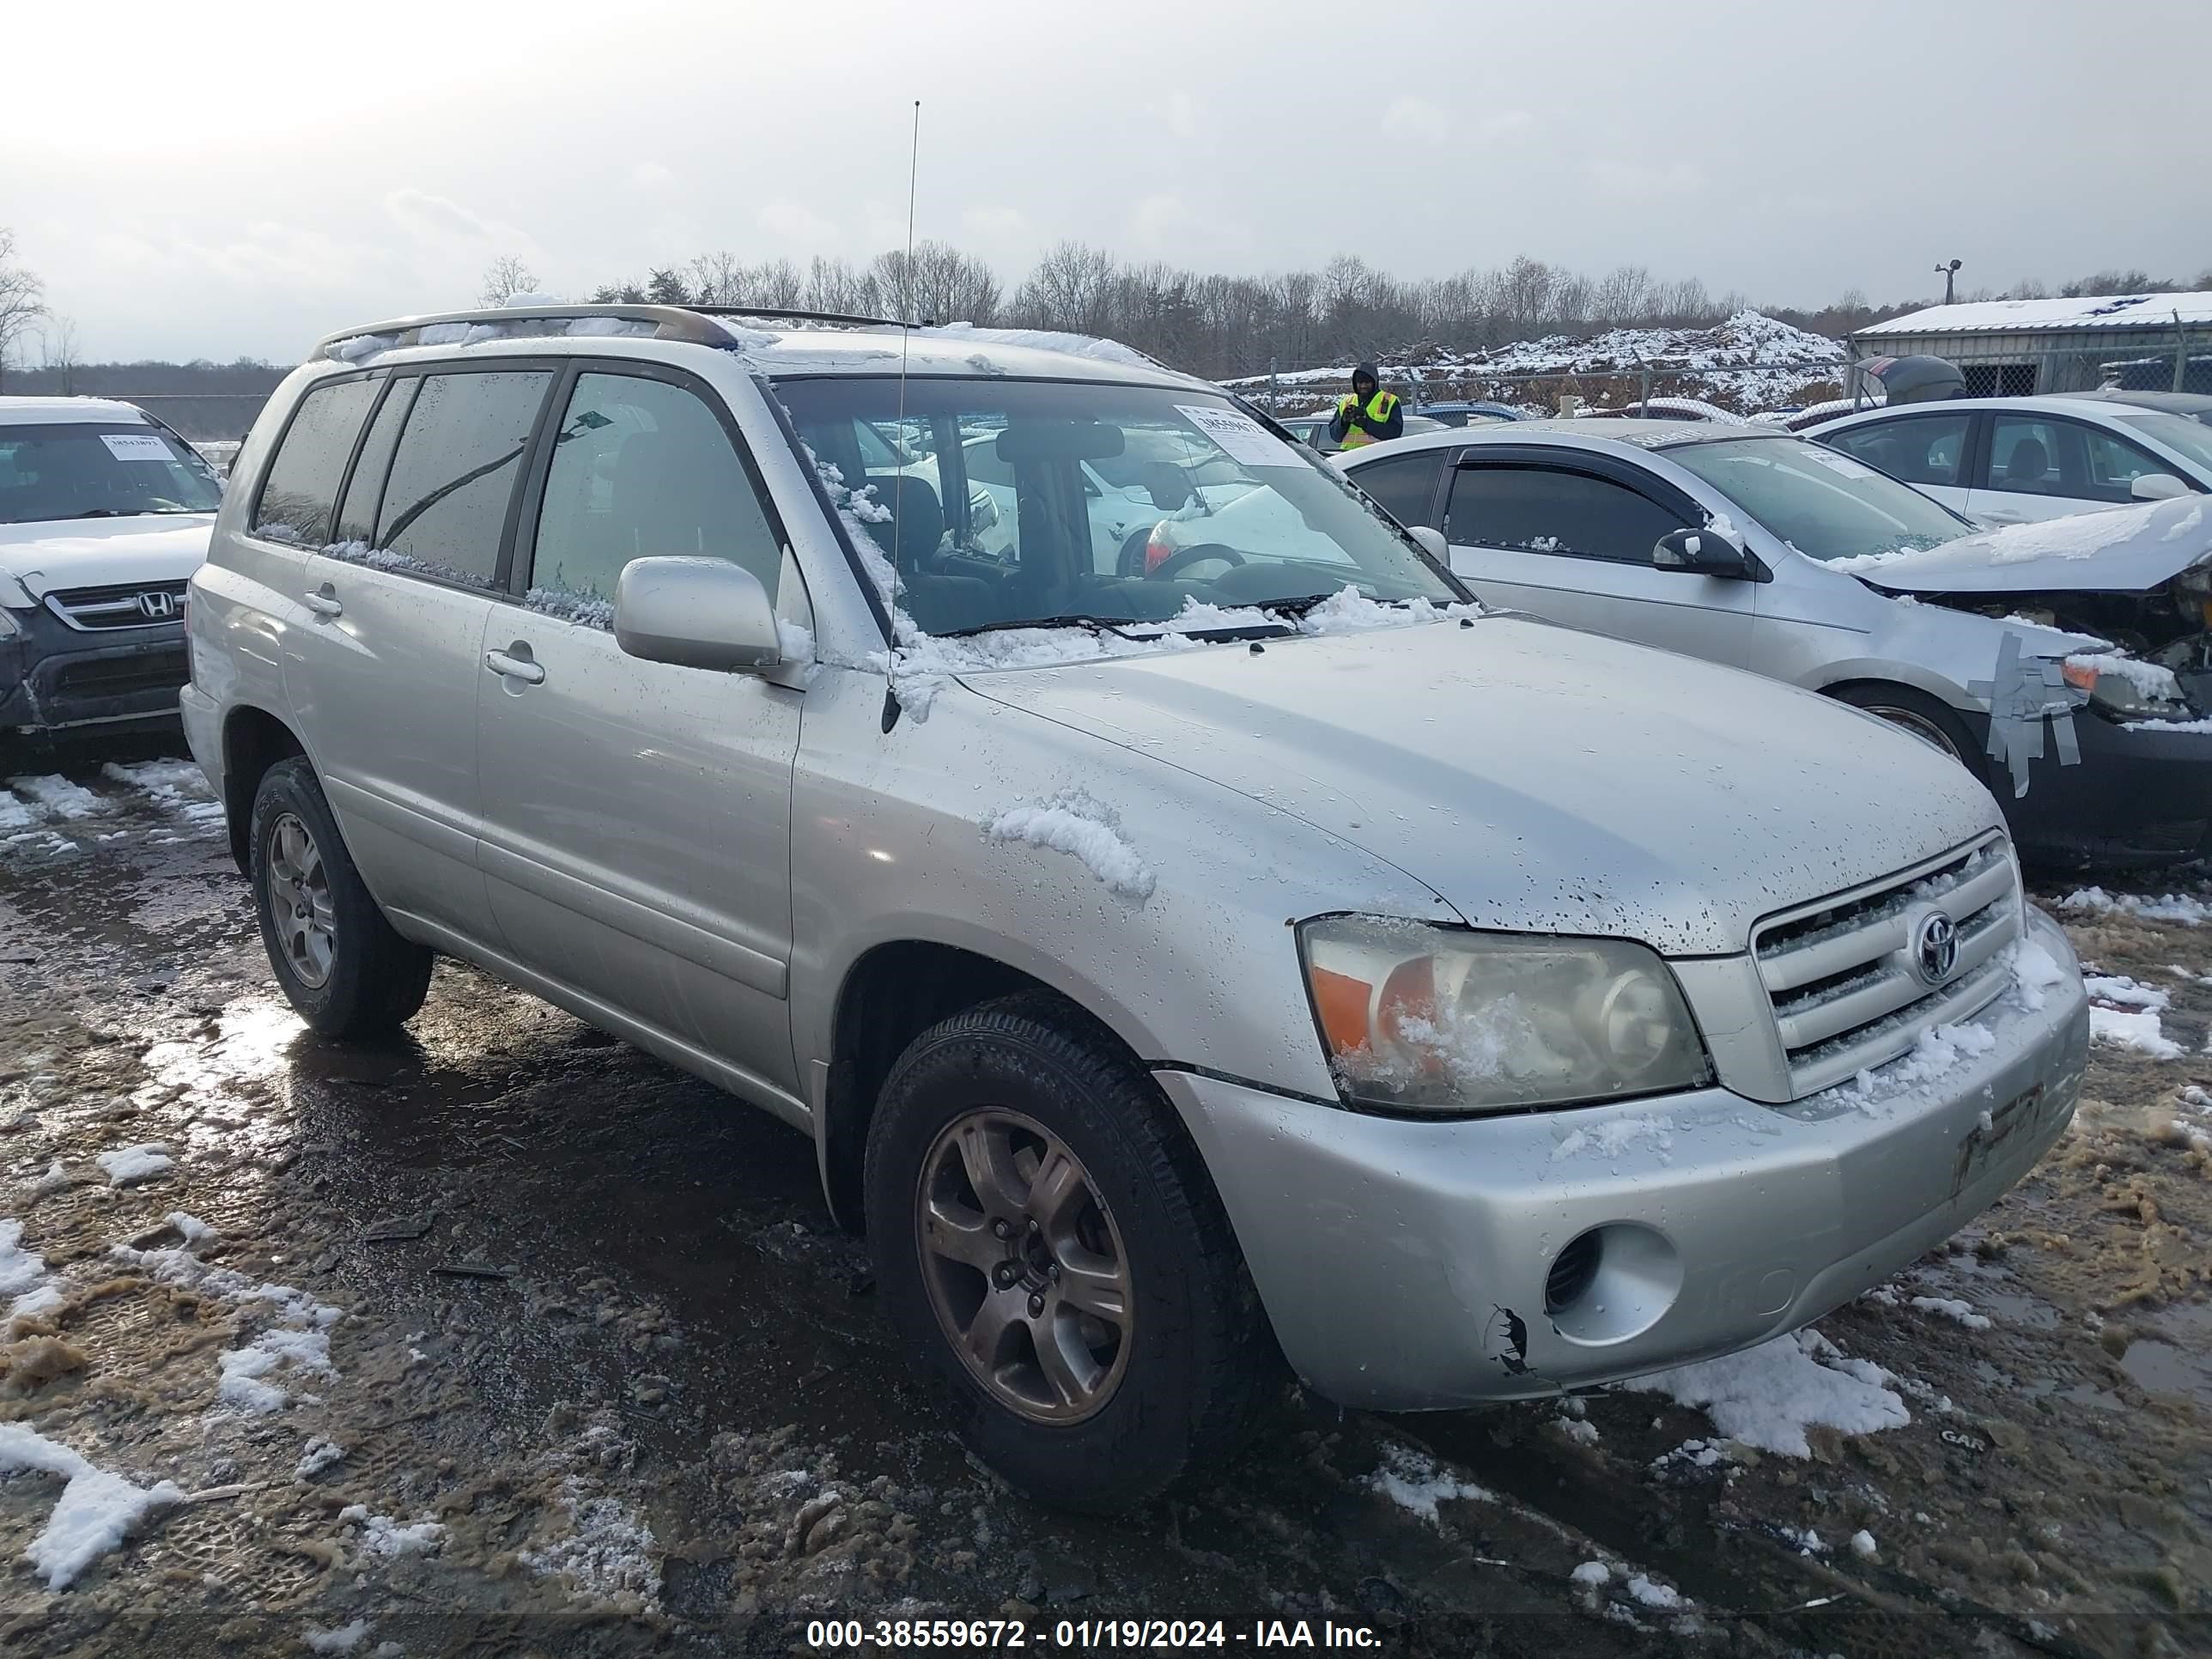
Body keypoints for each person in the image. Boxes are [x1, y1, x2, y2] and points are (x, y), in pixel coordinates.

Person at [1330, 364, 1403, 451]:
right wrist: (1343, 422)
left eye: (1367, 382)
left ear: (1374, 382)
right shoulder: (1346, 402)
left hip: (1375, 458)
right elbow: (1335, 436)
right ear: (1355, 383)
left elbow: (1395, 433)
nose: (1363, 386)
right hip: (1348, 457)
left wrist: (1366, 423)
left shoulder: (1389, 401)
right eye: (1360, 382)